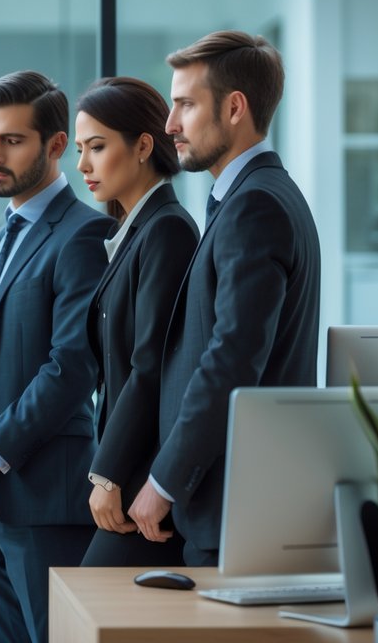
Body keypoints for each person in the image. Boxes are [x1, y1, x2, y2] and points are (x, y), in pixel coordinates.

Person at [127, 31, 321, 566]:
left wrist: (165, 480)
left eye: (186, 104)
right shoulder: (259, 196)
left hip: (232, 506)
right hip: (233, 504)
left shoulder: (254, 207)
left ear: (234, 108)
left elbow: (230, 360)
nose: (169, 125)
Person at [0, 70, 113, 643]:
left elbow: (71, 368)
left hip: (47, 503)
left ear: (56, 145)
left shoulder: (85, 235)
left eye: (12, 140)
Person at [71, 77, 198, 567]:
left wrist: (109, 474)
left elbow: (150, 367)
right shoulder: (136, 230)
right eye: (81, 149)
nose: (82, 165)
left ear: (144, 145)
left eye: (97, 147)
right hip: (130, 468)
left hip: (144, 473)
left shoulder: (166, 230)